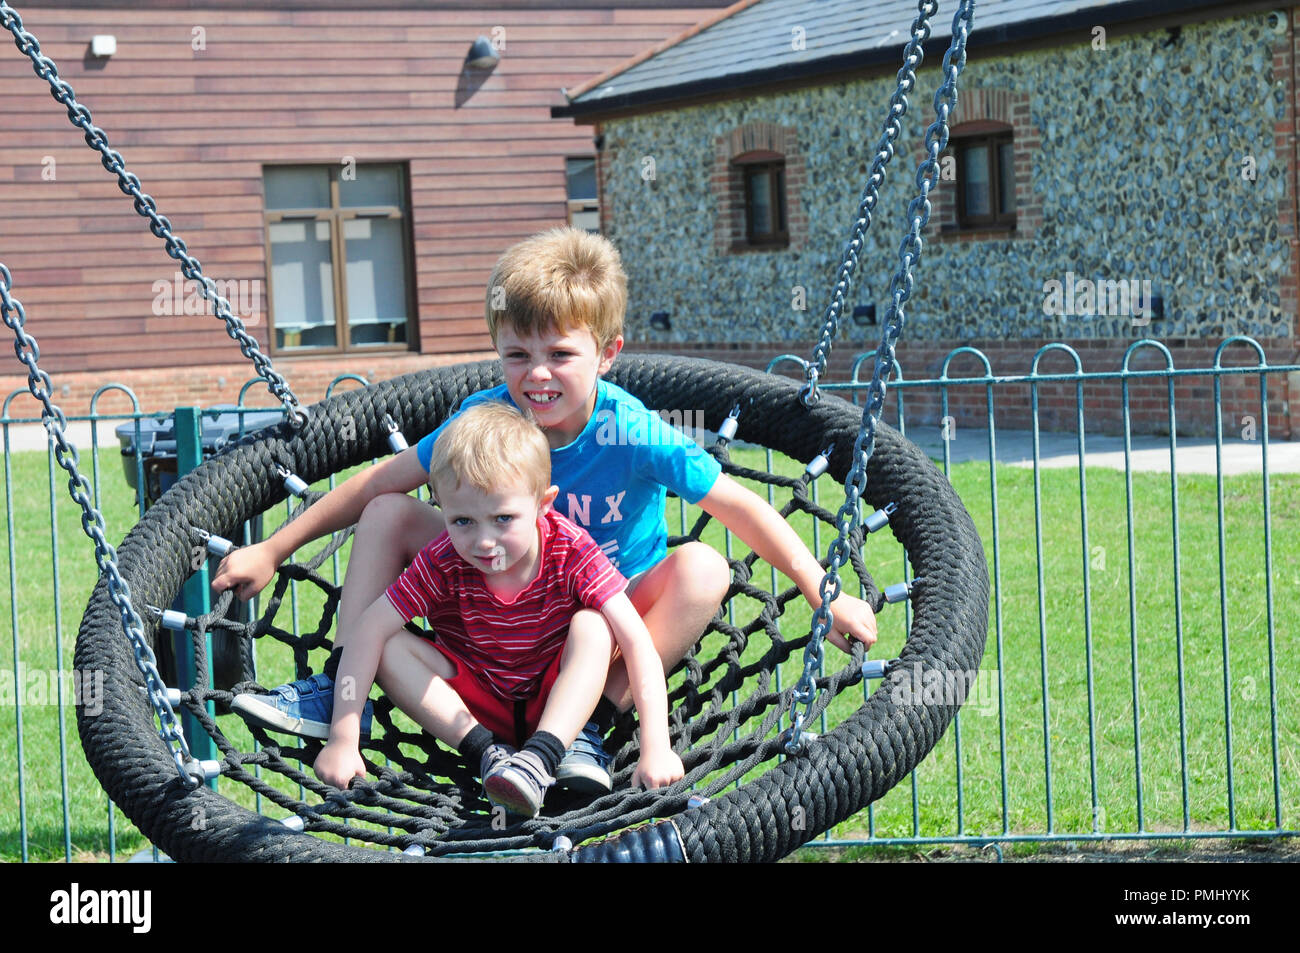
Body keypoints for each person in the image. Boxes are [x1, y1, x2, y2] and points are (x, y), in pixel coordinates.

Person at [217, 225, 878, 795]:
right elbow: (373, 485)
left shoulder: (632, 430)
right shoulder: (485, 422)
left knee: (704, 568)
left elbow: (738, 505)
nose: (537, 375)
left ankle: (588, 727)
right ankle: (338, 687)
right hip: (491, 623)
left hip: (601, 628)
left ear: (607, 353)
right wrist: (273, 548)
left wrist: (825, 594)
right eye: (517, 354)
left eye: (561, 354)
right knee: (390, 510)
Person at [310, 400, 682, 817]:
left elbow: (636, 642)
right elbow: (368, 631)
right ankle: (489, 754)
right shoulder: (444, 558)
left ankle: (541, 759)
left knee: (595, 626)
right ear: (441, 507)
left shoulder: (570, 549)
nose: (484, 542)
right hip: (473, 703)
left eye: (503, 518)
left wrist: (656, 745)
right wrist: (343, 736)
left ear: (544, 504)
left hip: (556, 700)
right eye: (463, 521)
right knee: (387, 641)